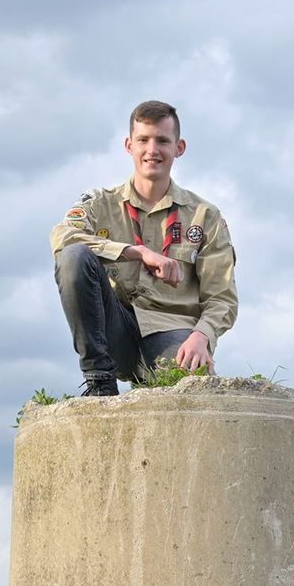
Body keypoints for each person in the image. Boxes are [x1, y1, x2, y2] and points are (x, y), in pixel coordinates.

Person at [50, 100, 238, 397]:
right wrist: (135, 252)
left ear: (179, 147)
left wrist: (202, 336)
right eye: (143, 140)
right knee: (73, 256)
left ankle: (167, 374)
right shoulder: (101, 203)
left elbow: (222, 298)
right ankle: (100, 382)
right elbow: (62, 236)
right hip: (116, 329)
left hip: (173, 329)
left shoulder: (204, 216)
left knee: (193, 385)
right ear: (129, 145)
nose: (152, 150)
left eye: (163, 140)